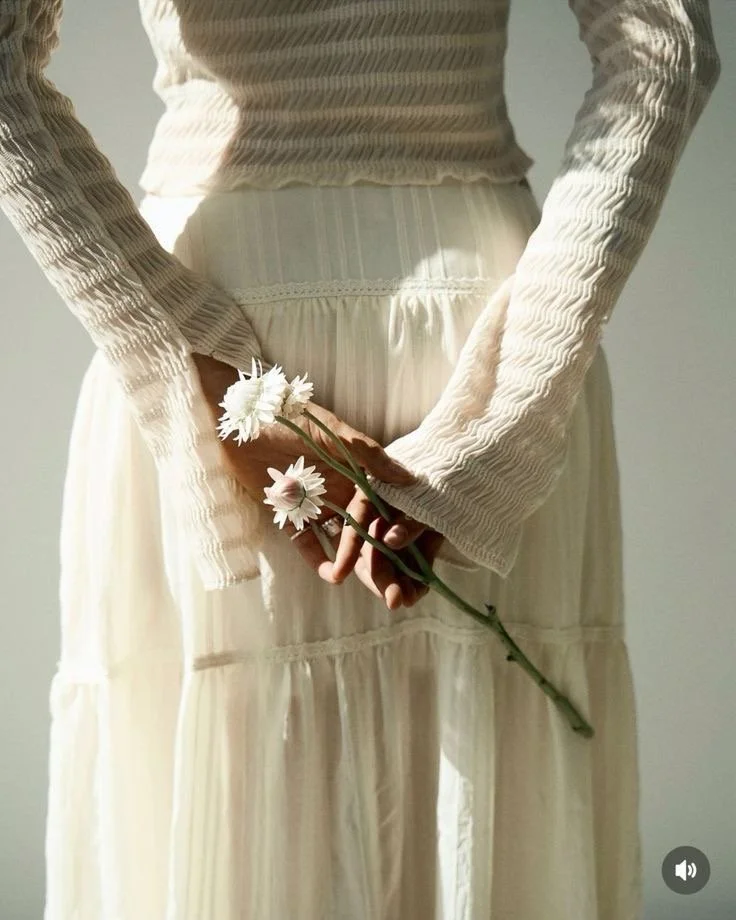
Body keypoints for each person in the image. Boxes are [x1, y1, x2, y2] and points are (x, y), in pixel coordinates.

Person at [0, 1, 721, 918]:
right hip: (478, 337)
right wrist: (504, 411)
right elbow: (664, 45)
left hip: (214, 318)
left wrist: (204, 365)